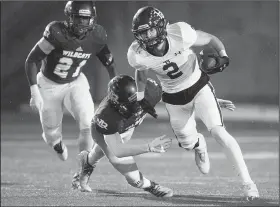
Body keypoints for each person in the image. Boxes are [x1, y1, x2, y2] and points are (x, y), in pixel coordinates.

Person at [126, 6, 259, 201]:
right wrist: (140, 96)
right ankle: (199, 145)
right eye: (142, 33)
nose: (146, 37)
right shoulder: (137, 54)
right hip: (173, 98)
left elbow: (211, 39)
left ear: (161, 27)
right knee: (187, 143)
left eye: (150, 30)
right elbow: (141, 71)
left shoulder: (180, 33)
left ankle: (248, 184)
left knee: (219, 132)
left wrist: (223, 55)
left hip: (199, 87)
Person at [73, 75, 236, 195]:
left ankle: (85, 161)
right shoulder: (107, 116)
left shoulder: (149, 91)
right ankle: (149, 186)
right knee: (130, 175)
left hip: (127, 128)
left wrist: (208, 101)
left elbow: (176, 95)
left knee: (98, 153)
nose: (124, 108)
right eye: (120, 104)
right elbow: (119, 150)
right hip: (104, 131)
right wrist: (149, 146)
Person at [25, 1, 117, 163]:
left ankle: (84, 168)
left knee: (88, 124)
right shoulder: (57, 33)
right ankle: (57, 144)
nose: (82, 23)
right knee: (51, 132)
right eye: (78, 18)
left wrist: (114, 85)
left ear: (92, 19)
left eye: (86, 18)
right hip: (48, 85)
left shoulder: (97, 36)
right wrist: (34, 91)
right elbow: (32, 61)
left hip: (76, 82)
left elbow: (108, 62)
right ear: (69, 17)